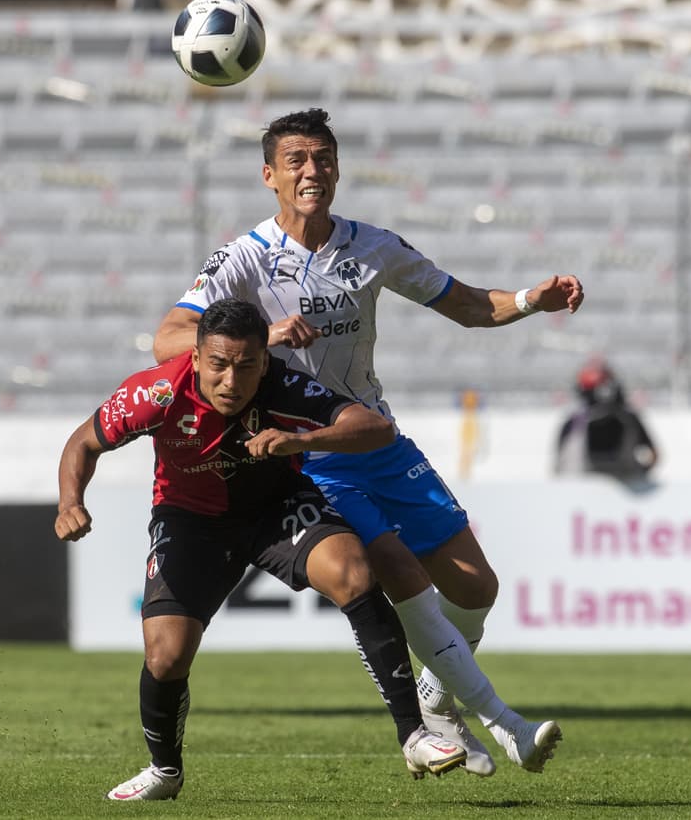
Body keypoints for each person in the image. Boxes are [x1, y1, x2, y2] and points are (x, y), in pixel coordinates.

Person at [152, 108, 584, 776]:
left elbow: (468, 304)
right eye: (295, 160)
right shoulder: (244, 258)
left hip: (375, 437)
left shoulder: (372, 247)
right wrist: (260, 337)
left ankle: (440, 705)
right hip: (307, 457)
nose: (311, 170)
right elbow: (169, 339)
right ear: (269, 174)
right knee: (402, 575)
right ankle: (502, 722)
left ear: (337, 168)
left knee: (476, 587)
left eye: (322, 158)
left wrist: (533, 298)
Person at [55, 299, 466, 802]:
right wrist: (69, 502)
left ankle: (414, 734)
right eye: (219, 365)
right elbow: (82, 442)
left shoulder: (284, 385)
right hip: (191, 522)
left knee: (354, 573)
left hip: (278, 508)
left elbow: (376, 428)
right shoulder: (156, 390)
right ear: (197, 356)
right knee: (165, 658)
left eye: (247, 366)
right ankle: (165, 770)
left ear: (264, 360)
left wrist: (301, 440)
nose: (232, 380)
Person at [554, 358, 658, 482]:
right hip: (584, 489)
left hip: (612, 488)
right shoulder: (574, 422)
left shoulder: (628, 419)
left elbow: (652, 454)